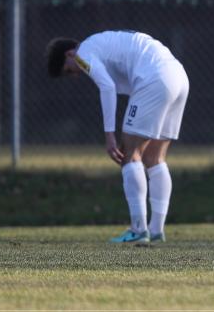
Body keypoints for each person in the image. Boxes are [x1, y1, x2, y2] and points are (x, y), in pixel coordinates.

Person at [46, 30, 189, 243]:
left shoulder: (82, 54)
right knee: (154, 159)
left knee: (129, 155)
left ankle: (139, 229)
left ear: (69, 54)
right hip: (179, 76)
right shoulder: (101, 42)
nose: (75, 75)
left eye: (69, 71)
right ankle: (156, 230)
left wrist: (109, 135)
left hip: (155, 78)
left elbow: (107, 87)